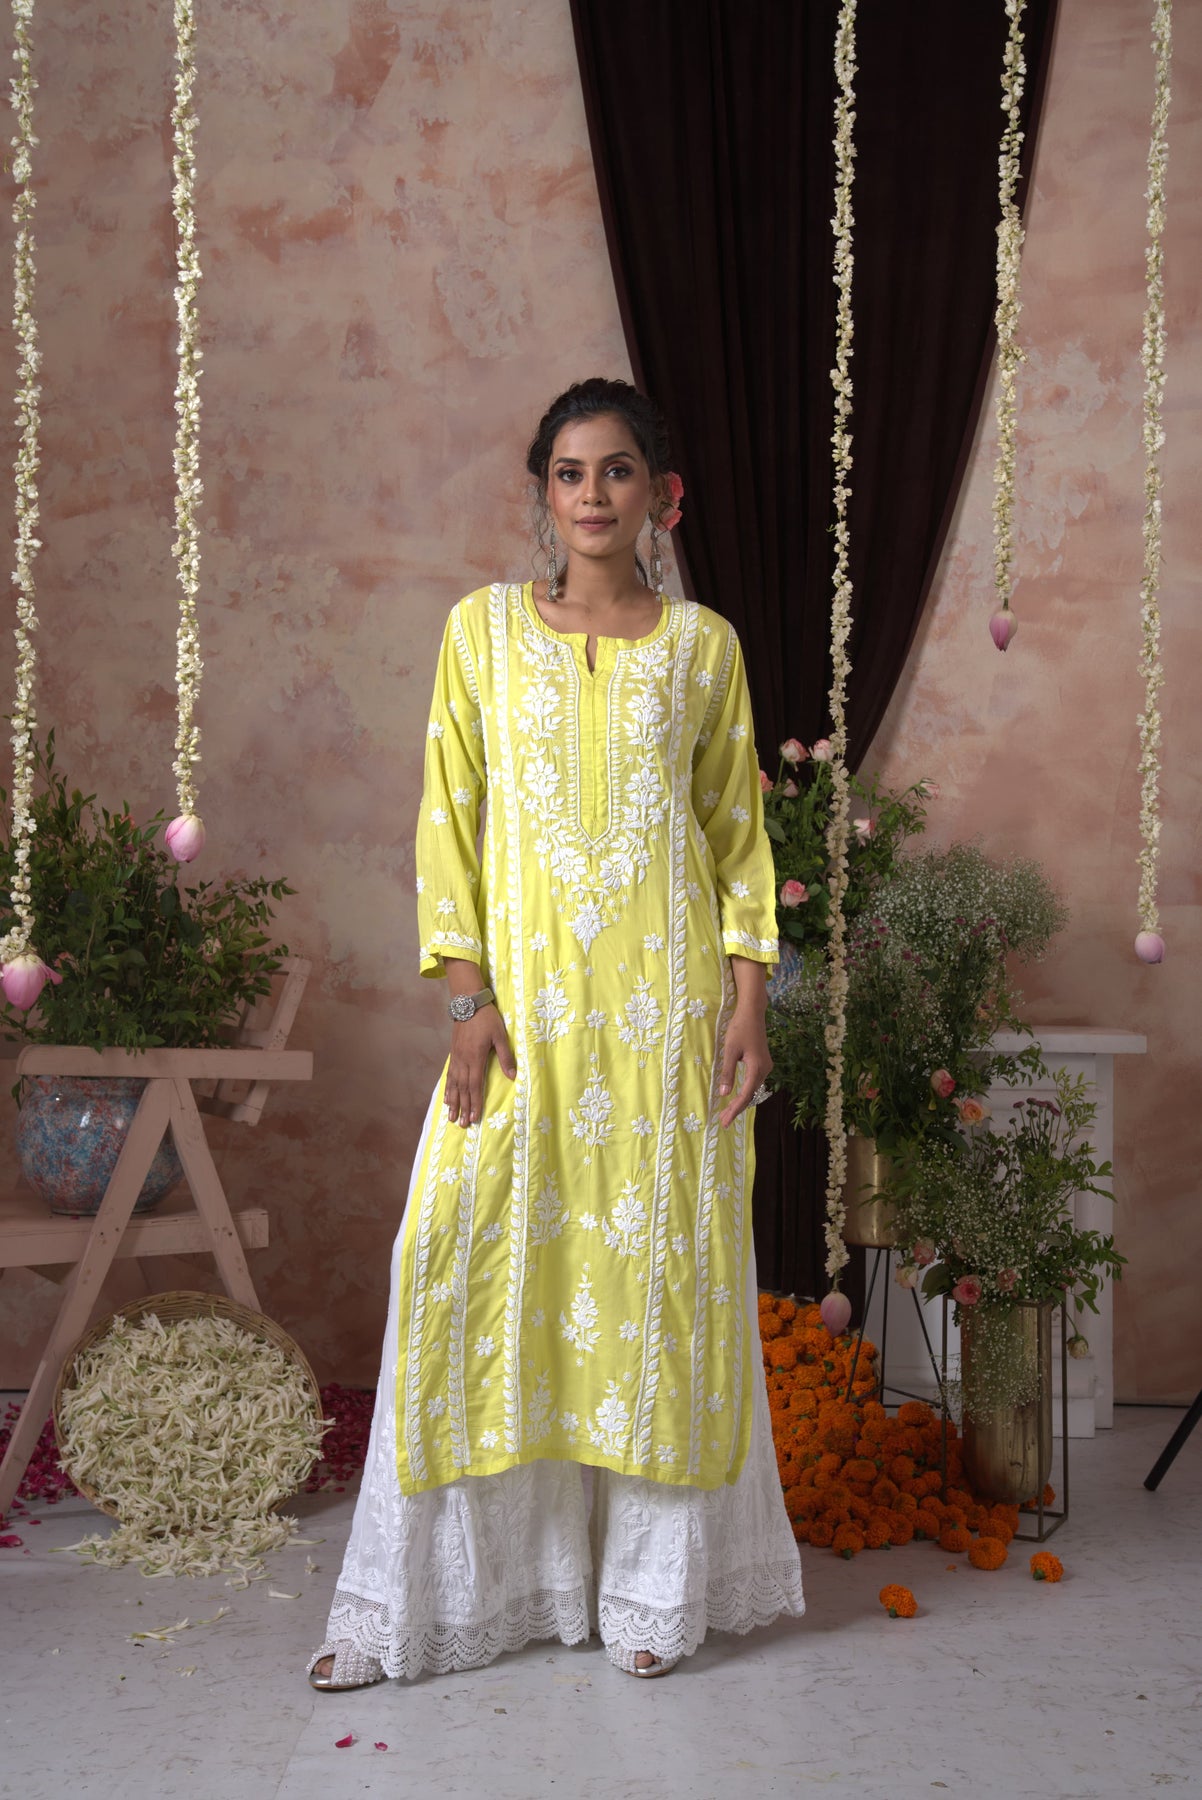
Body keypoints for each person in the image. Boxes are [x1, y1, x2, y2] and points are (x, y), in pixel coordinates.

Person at [308, 377, 804, 1689]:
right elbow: (448, 824)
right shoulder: (480, 634)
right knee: (459, 1261)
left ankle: (651, 1591)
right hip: (522, 1026)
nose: (593, 494)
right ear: (543, 493)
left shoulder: (702, 649)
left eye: (618, 470)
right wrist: (464, 1001)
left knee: (654, 1278)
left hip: (662, 1028)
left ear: (661, 495)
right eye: (571, 473)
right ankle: (430, 1603)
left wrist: (749, 1000)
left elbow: (736, 838)